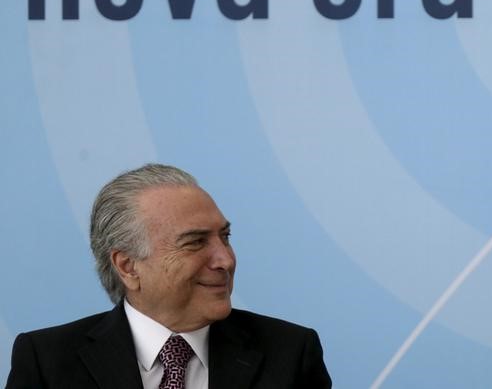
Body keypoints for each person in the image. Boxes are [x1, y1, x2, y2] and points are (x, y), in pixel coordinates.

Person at [6, 163, 332, 389]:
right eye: (195, 243)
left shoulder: (290, 354)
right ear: (128, 266)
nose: (225, 260)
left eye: (225, 237)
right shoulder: (47, 360)